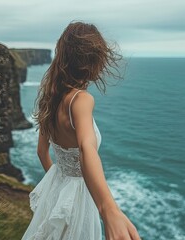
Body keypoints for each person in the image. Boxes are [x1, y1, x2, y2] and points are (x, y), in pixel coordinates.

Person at [21, 21, 141, 240]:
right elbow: (87, 148)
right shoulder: (81, 100)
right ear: (93, 61)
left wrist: (57, 188)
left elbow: (41, 152)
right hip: (80, 194)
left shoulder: (50, 99)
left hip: (58, 184)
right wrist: (108, 209)